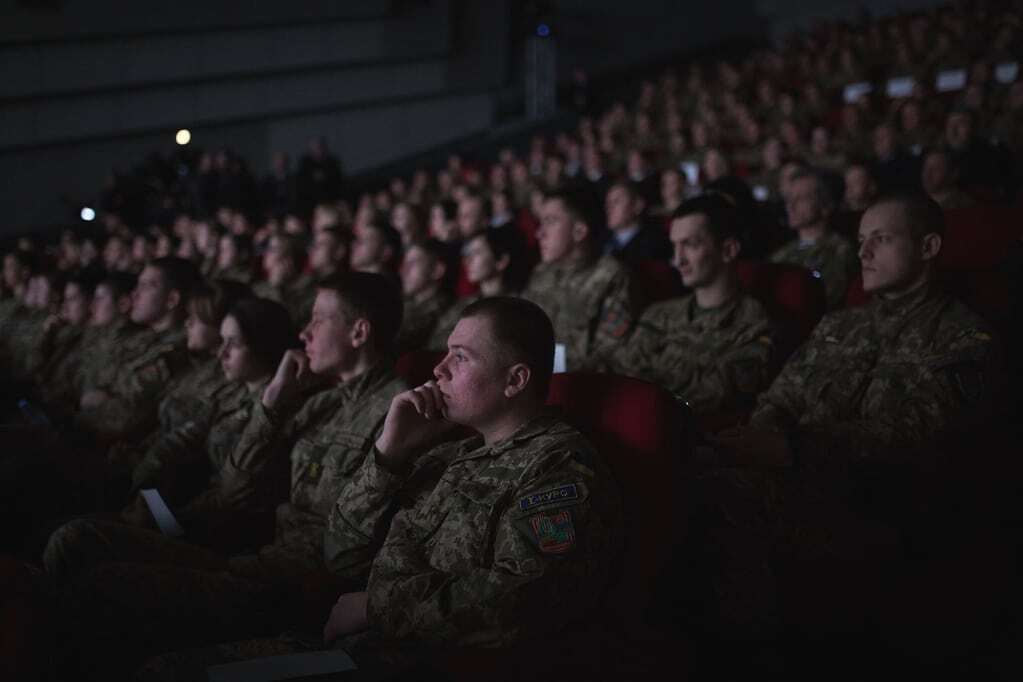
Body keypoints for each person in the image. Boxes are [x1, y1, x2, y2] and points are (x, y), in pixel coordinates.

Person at [134, 297, 624, 681]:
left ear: (515, 380)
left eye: (461, 357)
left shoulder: (558, 469)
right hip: (357, 651)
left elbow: (523, 603)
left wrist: (376, 606)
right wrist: (389, 451)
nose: (438, 370)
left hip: (421, 668)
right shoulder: (449, 451)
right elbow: (341, 553)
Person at [47, 272, 408, 679]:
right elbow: (238, 485)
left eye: (318, 319)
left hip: (291, 585)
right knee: (75, 542)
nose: (304, 333)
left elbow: (345, 553)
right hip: (255, 560)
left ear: (358, 332)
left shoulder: (397, 412)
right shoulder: (318, 402)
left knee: (99, 588)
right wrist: (271, 404)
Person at [690, 194, 998, 635]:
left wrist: (791, 448)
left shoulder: (963, 338)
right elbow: (779, 398)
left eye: (881, 239)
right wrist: (759, 441)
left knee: (719, 503)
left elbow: (919, 437)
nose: (862, 252)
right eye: (860, 240)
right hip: (793, 476)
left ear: (928, 247)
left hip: (874, 502)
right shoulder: (840, 325)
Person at [45, 298, 299, 573]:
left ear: (264, 347)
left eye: (234, 345)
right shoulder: (233, 391)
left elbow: (235, 492)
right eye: (222, 341)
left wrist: (171, 515)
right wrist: (147, 489)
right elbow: (183, 440)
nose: (221, 353)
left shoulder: (280, 407)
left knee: (72, 540)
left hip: (217, 535)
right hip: (180, 512)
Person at [589, 195, 773, 413]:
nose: (677, 260)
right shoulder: (659, 313)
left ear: (728, 250)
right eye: (675, 246)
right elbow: (616, 369)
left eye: (690, 245)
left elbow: (714, 398)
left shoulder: (753, 326)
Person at [75, 257, 199, 449]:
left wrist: (96, 401)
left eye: (146, 286)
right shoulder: (140, 338)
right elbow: (94, 377)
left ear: (172, 299)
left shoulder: (178, 351)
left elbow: (124, 420)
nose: (135, 294)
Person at [523, 189, 639, 369]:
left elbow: (610, 353)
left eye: (551, 221)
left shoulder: (611, 276)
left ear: (579, 231)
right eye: (540, 222)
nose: (540, 233)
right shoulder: (541, 272)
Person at [770, 170, 859, 309]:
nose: (790, 206)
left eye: (801, 199)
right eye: (789, 199)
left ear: (825, 206)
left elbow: (825, 299)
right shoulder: (781, 254)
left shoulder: (841, 251)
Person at [429, 225, 528, 349]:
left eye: (477, 252)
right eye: (468, 254)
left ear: (501, 261)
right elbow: (436, 343)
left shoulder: (522, 305)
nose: (467, 261)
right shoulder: (465, 304)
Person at [395, 239, 454, 353]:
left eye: (413, 263)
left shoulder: (450, 310)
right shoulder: (398, 303)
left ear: (437, 270)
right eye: (405, 263)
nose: (403, 270)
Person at [602, 180, 671, 265]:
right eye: (608, 203)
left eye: (616, 201)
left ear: (637, 205)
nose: (609, 208)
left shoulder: (655, 244)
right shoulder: (600, 241)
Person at [253, 233, 315, 324]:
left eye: (273, 249)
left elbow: (284, 322)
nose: (266, 253)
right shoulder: (258, 286)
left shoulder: (309, 291)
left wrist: (277, 287)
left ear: (288, 259)